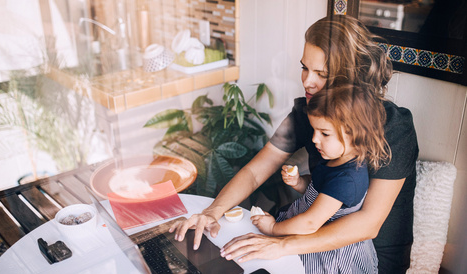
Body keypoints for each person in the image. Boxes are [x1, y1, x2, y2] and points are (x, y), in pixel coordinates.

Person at [169, 15, 419, 273]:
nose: (307, 81)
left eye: (321, 74)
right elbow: (256, 172)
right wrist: (213, 211)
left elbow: (368, 223)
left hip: (368, 256)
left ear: (351, 78)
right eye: (304, 67)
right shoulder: (307, 112)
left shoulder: (394, 128)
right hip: (306, 238)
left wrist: (281, 244)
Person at [252, 85, 390, 272]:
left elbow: (310, 223)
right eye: (314, 130)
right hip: (306, 233)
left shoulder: (347, 179)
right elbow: (318, 191)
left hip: (328, 254)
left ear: (356, 135)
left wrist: (273, 228)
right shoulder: (334, 159)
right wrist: (300, 182)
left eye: (325, 133)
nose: (315, 139)